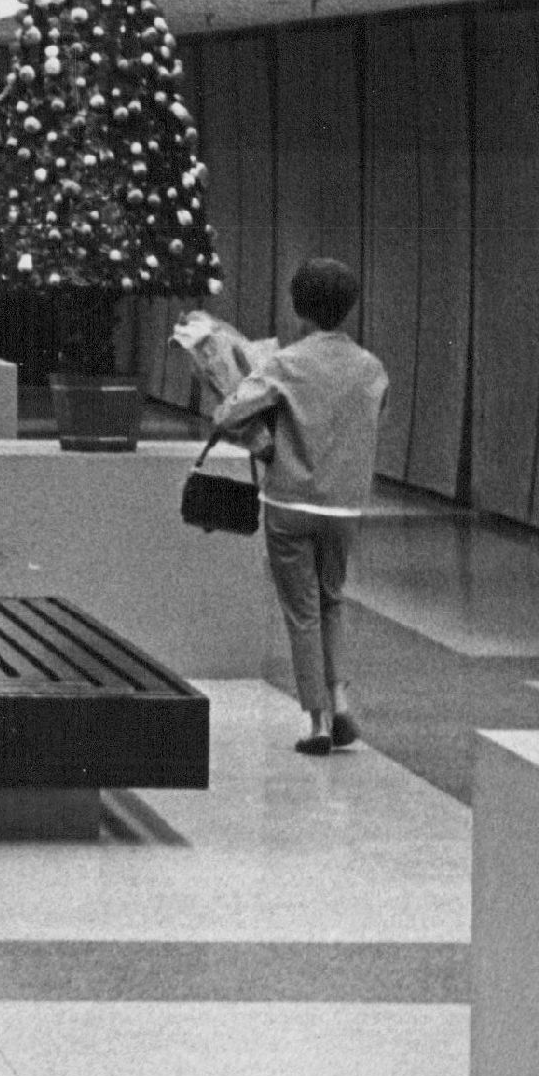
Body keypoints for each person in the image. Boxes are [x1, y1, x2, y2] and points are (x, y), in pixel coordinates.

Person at [213, 255, 389, 755]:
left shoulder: (285, 363)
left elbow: (228, 415)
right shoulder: (371, 367)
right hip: (344, 506)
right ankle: (342, 701)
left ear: (297, 307)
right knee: (332, 600)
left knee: (301, 612)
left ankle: (317, 723)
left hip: (290, 501)